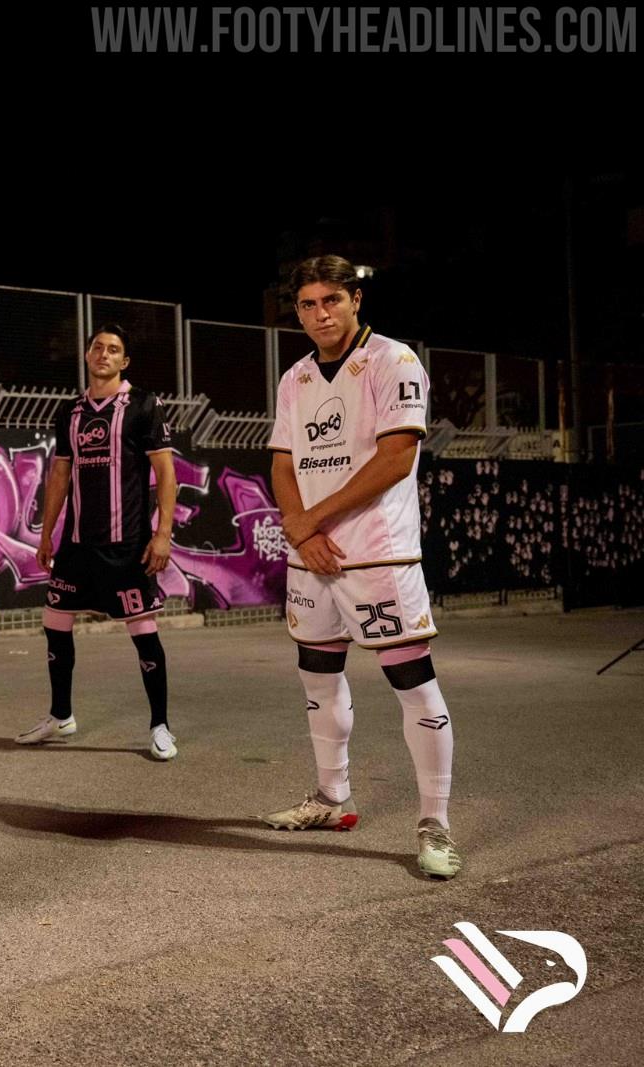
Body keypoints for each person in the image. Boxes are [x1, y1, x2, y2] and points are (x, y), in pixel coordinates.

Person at [260, 254, 462, 880]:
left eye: (331, 301)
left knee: (412, 681)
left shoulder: (394, 360)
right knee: (318, 673)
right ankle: (332, 798)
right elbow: (282, 462)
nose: (320, 314)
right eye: (307, 304)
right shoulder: (294, 377)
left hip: (376, 549)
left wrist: (308, 521)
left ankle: (436, 823)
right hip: (312, 552)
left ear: (354, 300)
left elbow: (396, 457)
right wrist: (301, 526)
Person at [14, 325, 179, 758]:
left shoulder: (143, 405)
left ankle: (160, 725)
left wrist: (163, 535)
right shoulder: (69, 412)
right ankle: (61, 715)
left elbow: (166, 473)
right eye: (98, 347)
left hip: (127, 547)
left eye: (114, 350)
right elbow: (60, 476)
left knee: (143, 633)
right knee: (54, 624)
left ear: (124, 362)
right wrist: (47, 532)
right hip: (77, 546)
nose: (104, 354)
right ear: (88, 355)